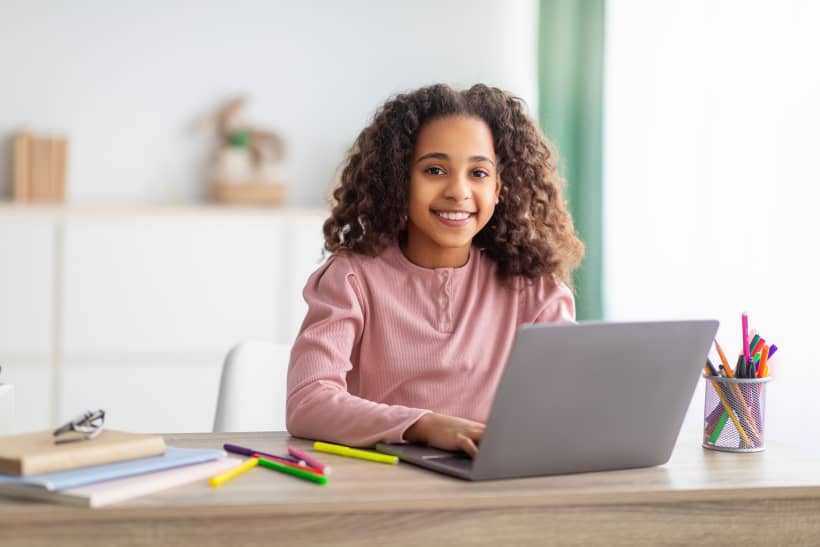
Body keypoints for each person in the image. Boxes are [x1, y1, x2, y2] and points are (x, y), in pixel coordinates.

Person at [286, 83, 584, 457]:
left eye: (478, 173)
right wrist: (424, 426)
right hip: (382, 485)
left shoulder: (536, 289)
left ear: (498, 188)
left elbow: (565, 407)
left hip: (494, 485)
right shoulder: (351, 280)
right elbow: (308, 402)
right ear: (399, 179)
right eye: (435, 170)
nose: (458, 191)